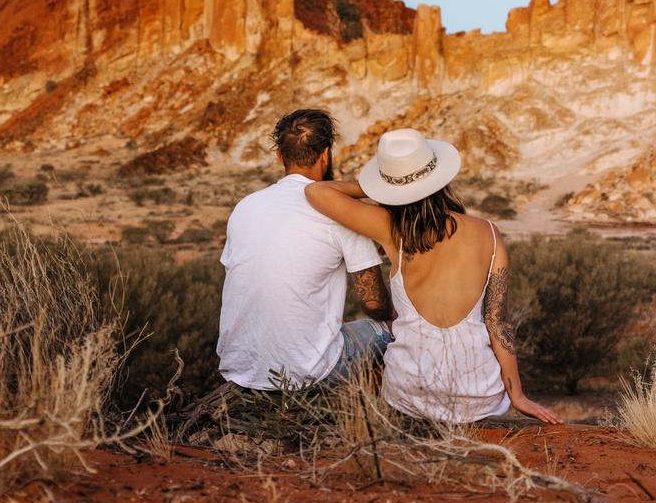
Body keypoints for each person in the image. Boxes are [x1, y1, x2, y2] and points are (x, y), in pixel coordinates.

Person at [305, 127, 563, 425]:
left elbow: (317, 191)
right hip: (478, 397)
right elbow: (498, 323)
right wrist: (517, 395)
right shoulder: (488, 233)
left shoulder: (392, 229)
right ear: (440, 176)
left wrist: (385, 184)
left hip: (412, 394)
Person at [216, 109, 394, 391]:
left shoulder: (245, 206)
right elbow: (372, 302)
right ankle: (373, 417)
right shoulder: (341, 213)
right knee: (390, 331)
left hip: (241, 366)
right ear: (325, 155)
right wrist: (393, 315)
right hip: (308, 371)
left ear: (279, 155)